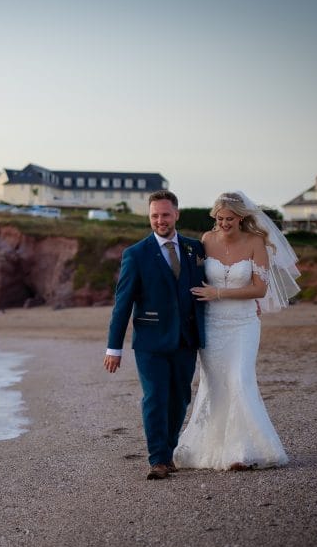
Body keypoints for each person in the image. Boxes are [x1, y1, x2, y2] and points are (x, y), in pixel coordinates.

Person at [174, 191, 301, 471]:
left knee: (240, 379)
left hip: (244, 323)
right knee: (214, 386)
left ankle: (243, 451)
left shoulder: (256, 242)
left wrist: (218, 292)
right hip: (213, 325)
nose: (223, 223)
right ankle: (211, 449)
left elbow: (260, 288)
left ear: (241, 218)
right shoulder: (207, 240)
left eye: (229, 218)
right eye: (219, 218)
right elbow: (195, 279)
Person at [104, 191, 207, 480]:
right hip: (150, 340)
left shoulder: (194, 249)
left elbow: (209, 287)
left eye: (165, 214)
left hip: (186, 339)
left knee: (180, 398)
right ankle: (158, 459)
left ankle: (170, 450)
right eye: (154, 216)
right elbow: (122, 304)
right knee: (155, 397)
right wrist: (114, 348)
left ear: (176, 214)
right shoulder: (135, 254)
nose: (160, 220)